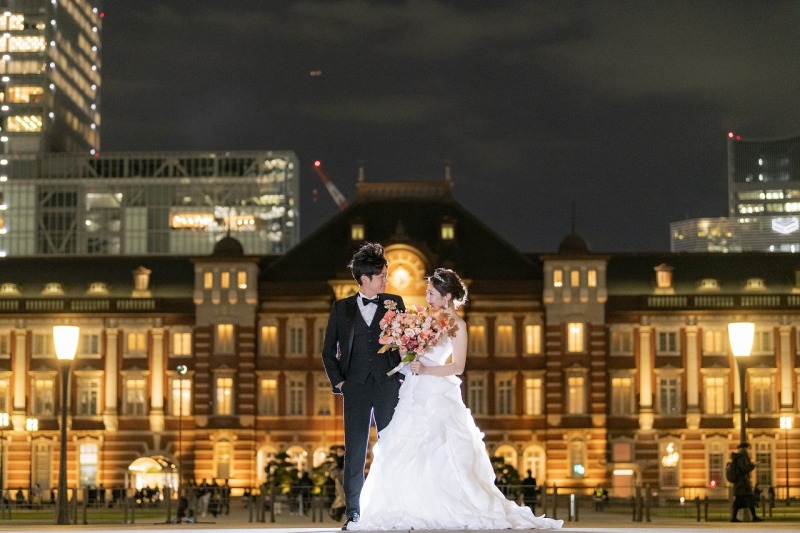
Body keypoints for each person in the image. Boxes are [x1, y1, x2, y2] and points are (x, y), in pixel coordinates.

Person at [349, 268, 563, 530]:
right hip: (414, 391)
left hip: (437, 392)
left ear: (447, 296)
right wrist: (405, 352)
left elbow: (458, 366)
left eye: (431, 293)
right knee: (406, 447)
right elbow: (415, 355)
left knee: (440, 448)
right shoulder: (427, 320)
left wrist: (426, 369)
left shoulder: (457, 325)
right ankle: (412, 505)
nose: (427, 297)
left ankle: (445, 506)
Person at [321, 242, 406, 530]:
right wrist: (340, 383)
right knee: (355, 451)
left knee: (391, 448)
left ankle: (393, 508)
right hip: (355, 388)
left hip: (387, 386)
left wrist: (401, 375)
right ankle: (354, 512)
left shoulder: (395, 303)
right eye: (382, 275)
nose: (386, 279)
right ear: (365, 278)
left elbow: (406, 343)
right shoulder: (340, 308)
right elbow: (327, 352)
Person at [730, 449, 762, 522]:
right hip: (742, 485)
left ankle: (734, 517)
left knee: (739, 502)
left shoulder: (737, 458)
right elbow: (744, 469)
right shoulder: (741, 458)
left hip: (739, 485)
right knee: (749, 500)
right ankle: (754, 517)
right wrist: (753, 465)